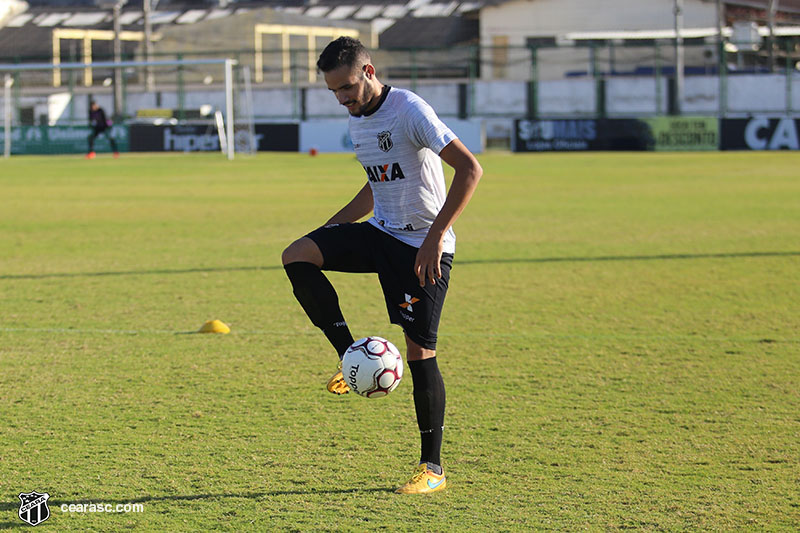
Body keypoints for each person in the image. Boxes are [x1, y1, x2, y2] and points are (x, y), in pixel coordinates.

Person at [282, 37, 482, 494]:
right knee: (297, 254)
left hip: (423, 246)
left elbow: (470, 169)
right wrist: (335, 226)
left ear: (369, 72)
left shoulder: (410, 109)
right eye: (334, 92)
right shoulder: (357, 120)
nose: (343, 99)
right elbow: (377, 183)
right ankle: (348, 355)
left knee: (419, 353)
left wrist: (433, 239)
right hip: (382, 232)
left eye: (348, 88)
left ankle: (432, 469)